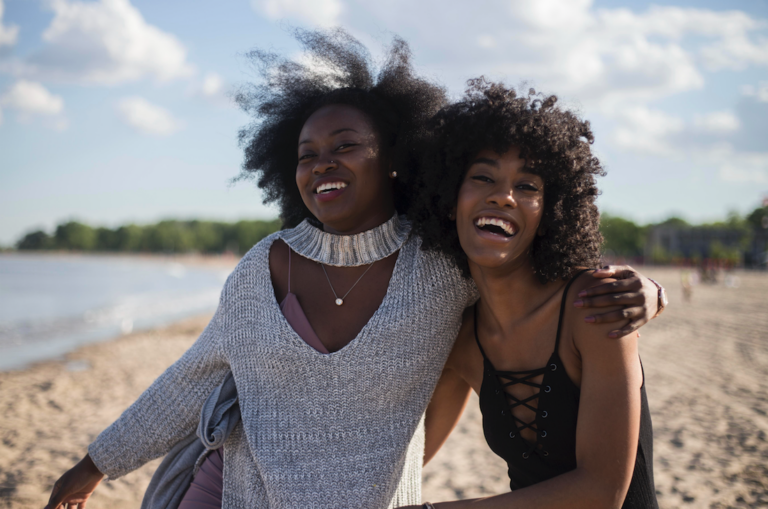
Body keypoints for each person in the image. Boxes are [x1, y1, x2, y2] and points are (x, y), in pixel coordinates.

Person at [46, 32, 662, 509]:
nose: (323, 164)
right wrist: (93, 465)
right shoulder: (262, 268)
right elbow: (190, 380)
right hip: (234, 491)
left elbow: (529, 279)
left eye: (345, 145)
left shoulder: (441, 271)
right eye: (307, 154)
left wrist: (651, 291)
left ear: (394, 161)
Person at [404, 80, 660, 509]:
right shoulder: (462, 340)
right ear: (449, 200)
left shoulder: (593, 307)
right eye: (482, 177)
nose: (503, 196)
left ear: (550, 212)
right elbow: (409, 457)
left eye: (527, 187)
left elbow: (601, 492)